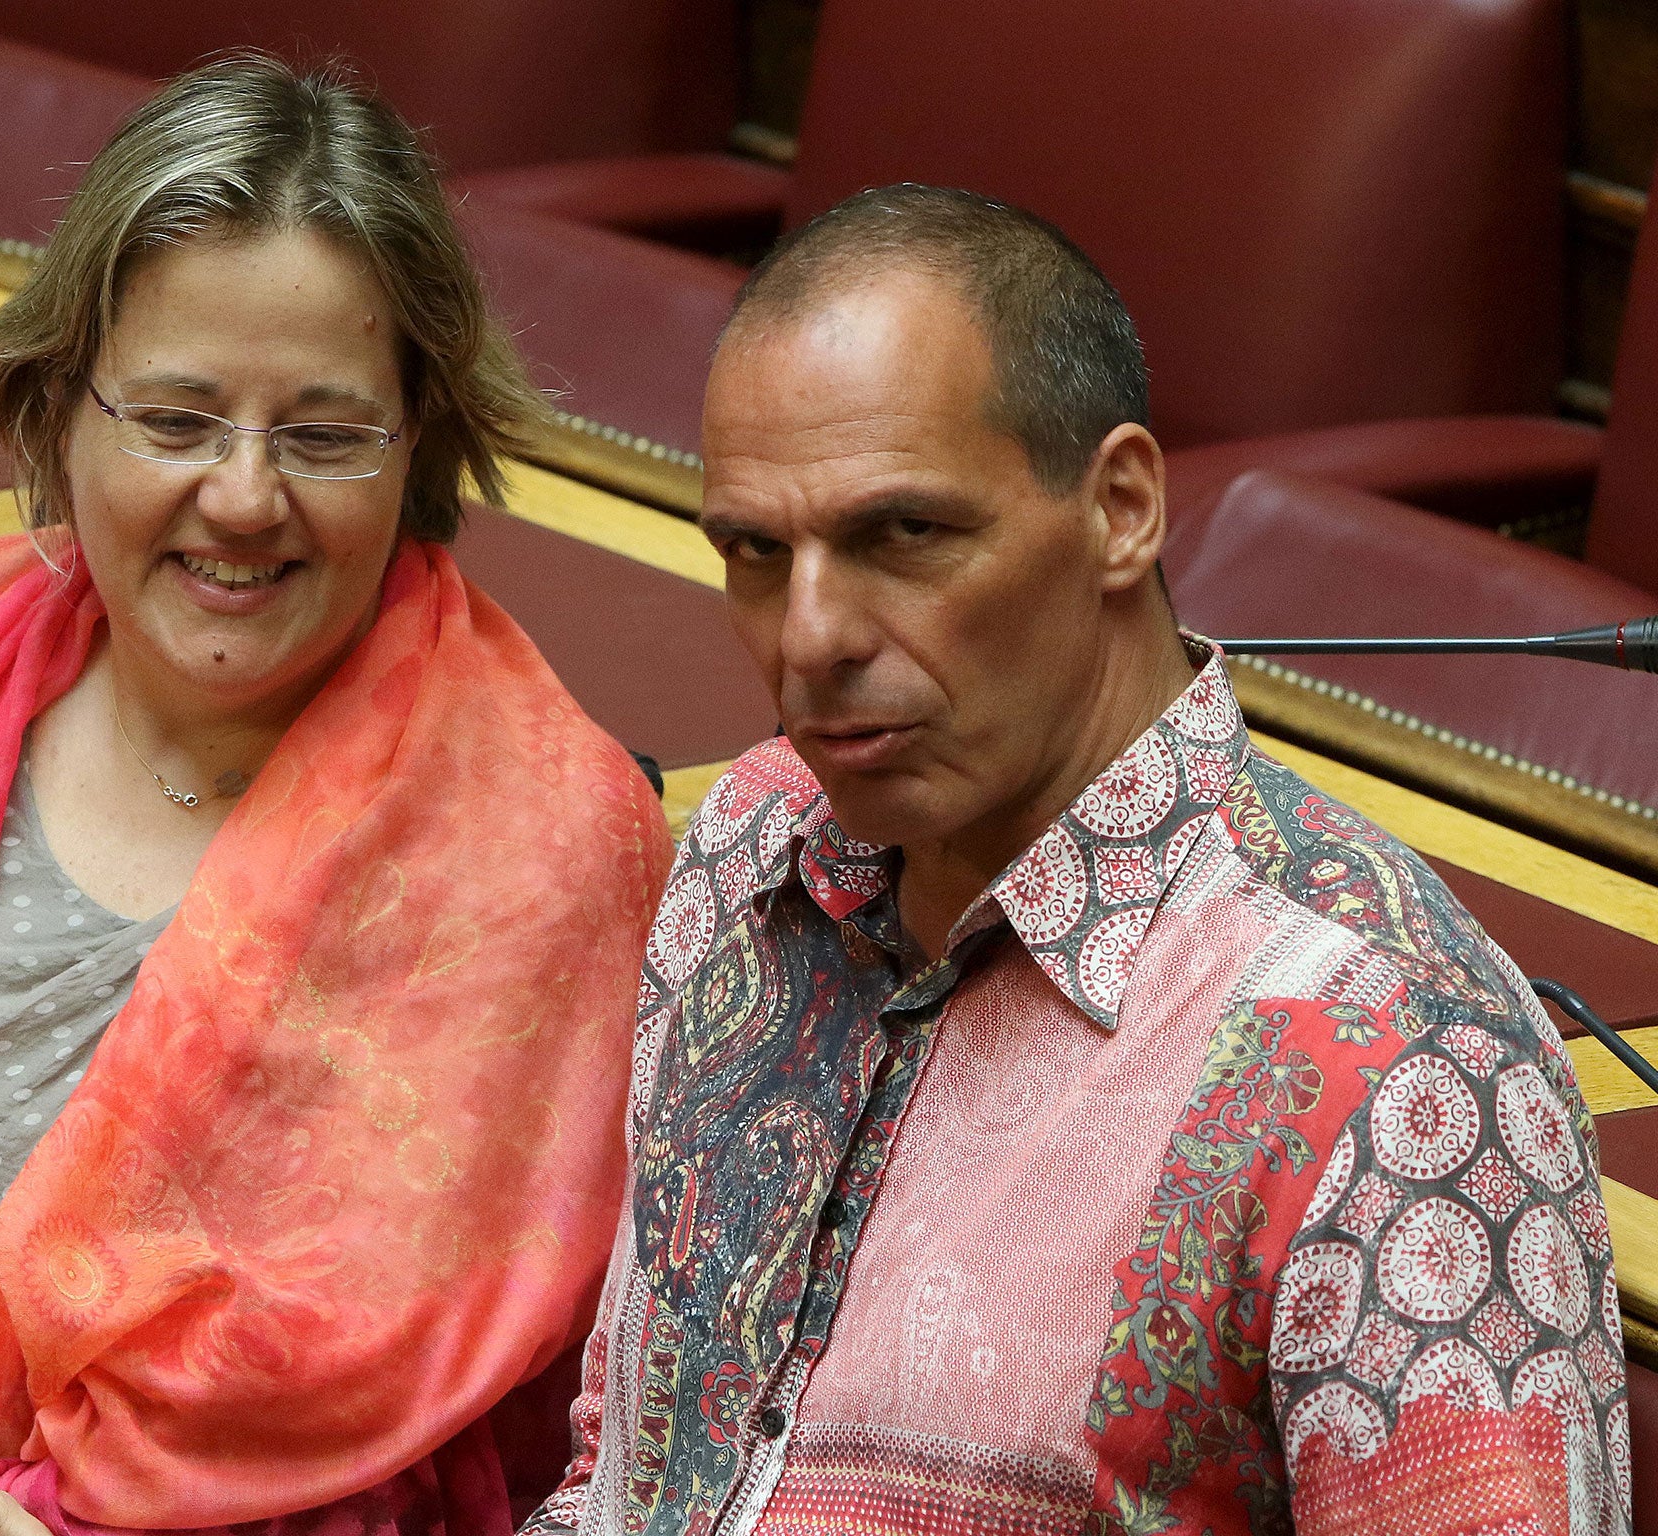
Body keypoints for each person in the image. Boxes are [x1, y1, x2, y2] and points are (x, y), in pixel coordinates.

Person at [0, 56, 671, 1536]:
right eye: (175, 420)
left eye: (321, 432)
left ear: (422, 437)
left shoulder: (532, 854)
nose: (242, 497)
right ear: (62, 412)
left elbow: (371, 1466)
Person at [523, 184, 1628, 1536]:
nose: (807, 636)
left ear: (1119, 508)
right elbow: (620, 1470)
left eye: (902, 535)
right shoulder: (750, 845)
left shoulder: (1405, 1074)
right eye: (758, 553)